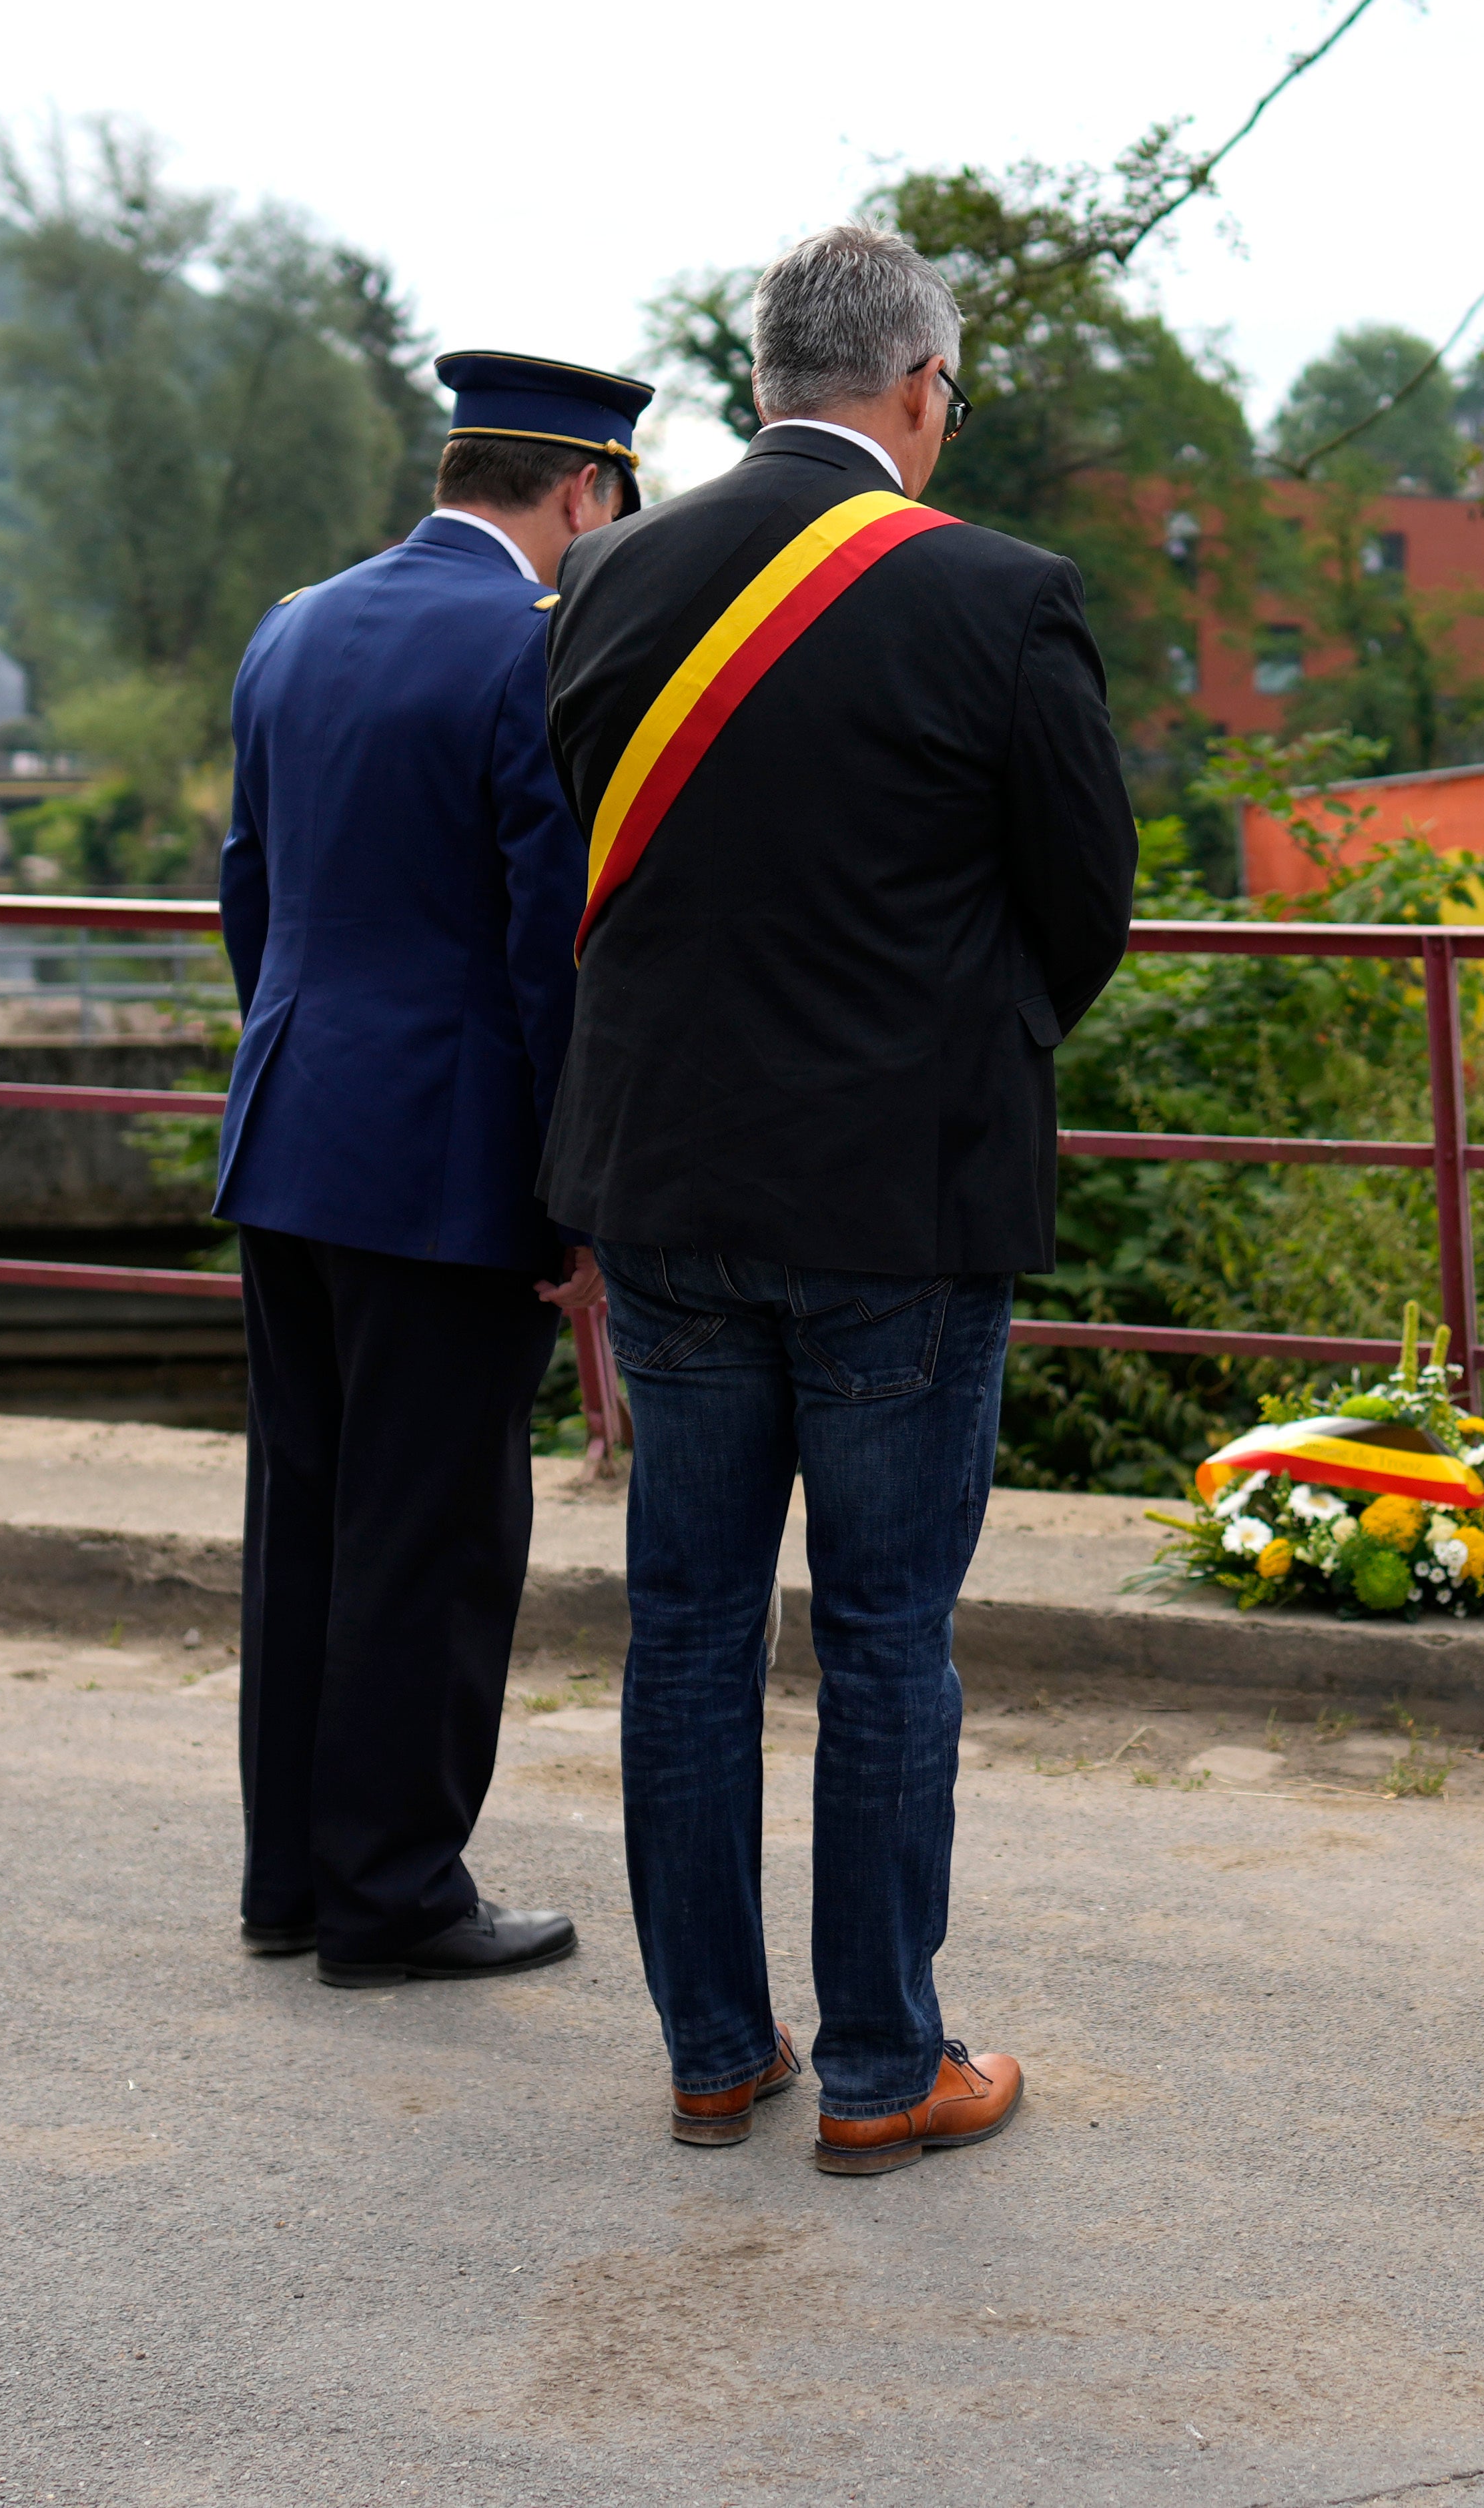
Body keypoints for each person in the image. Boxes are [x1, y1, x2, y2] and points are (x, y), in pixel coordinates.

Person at [536, 222, 1134, 2176]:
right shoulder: (1000, 592)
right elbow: (1086, 906)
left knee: (688, 1632)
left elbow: (584, 865)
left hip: (665, 1185)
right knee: (884, 1638)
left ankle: (717, 2052)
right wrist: (950, 1048)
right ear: (923, 388)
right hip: (903, 1203)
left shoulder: (608, 572)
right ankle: (885, 2069)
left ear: (766, 378)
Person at [214, 348, 652, 1991]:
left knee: (308, 1516)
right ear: (585, 490)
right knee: (434, 1534)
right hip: (448, 1159)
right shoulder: (535, 646)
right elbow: (550, 947)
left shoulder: (293, 625)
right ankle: (392, 1894)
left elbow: (250, 893)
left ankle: (292, 1877)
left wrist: (303, 1067)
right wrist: (575, 1189)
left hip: (291, 1130)